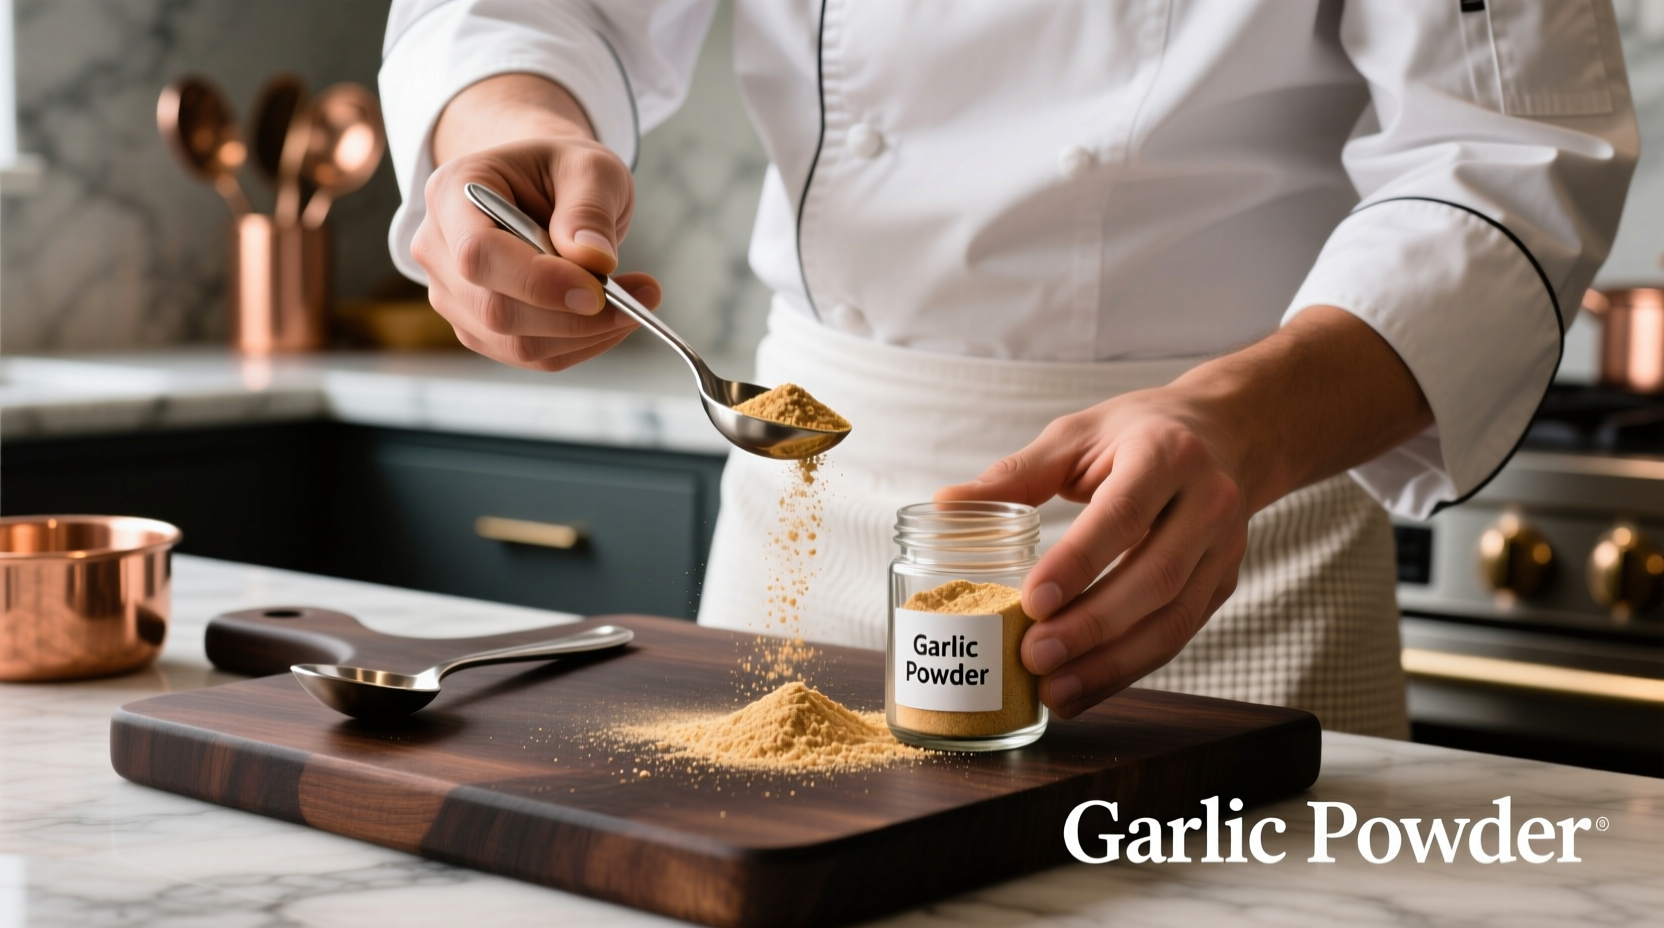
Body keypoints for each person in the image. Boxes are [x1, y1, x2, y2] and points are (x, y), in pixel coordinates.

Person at [379, 1, 1636, 737]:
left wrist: (1243, 427)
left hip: (1221, 536)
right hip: (811, 513)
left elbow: (1505, 152)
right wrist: (504, 132)